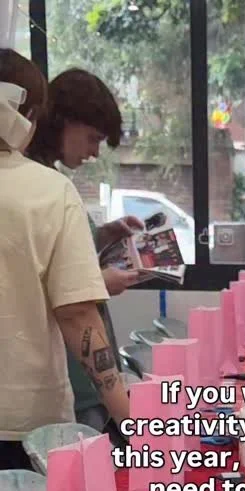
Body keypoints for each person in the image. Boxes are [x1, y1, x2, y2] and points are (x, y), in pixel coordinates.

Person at [0, 50, 130, 469]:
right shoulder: (48, 193)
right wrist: (133, 423)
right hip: (24, 423)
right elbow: (77, 314)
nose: (93, 151)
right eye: (93, 137)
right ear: (33, 116)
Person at [28, 68, 143, 437]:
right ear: (62, 120)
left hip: (85, 376)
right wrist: (100, 283)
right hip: (70, 377)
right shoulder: (42, 188)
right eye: (93, 138)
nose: (94, 152)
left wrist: (104, 234)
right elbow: (53, 293)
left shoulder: (51, 181)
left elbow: (59, 257)